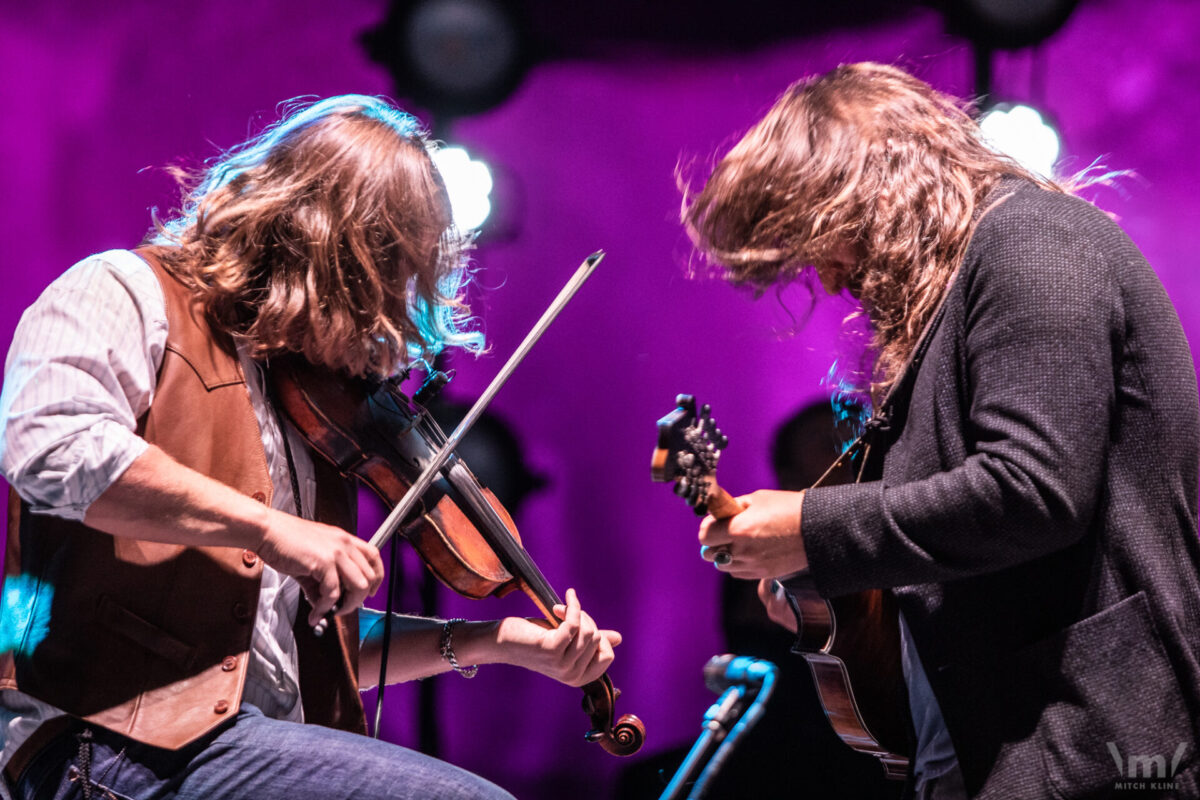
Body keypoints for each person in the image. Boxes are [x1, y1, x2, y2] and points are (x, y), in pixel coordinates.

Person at [0, 95, 621, 800]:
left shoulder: (307, 402)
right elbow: (50, 449)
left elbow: (290, 649)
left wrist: (490, 641)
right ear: (319, 246)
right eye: (377, 291)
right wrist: (270, 529)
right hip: (104, 748)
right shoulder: (124, 292)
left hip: (234, 752)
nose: (383, 328)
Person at [681, 63, 1200, 799]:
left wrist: (812, 527)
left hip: (1087, 750)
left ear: (878, 192)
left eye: (827, 241)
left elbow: (1034, 492)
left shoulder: (1031, 242)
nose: (830, 279)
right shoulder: (968, 283)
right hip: (1000, 747)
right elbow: (965, 544)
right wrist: (828, 582)